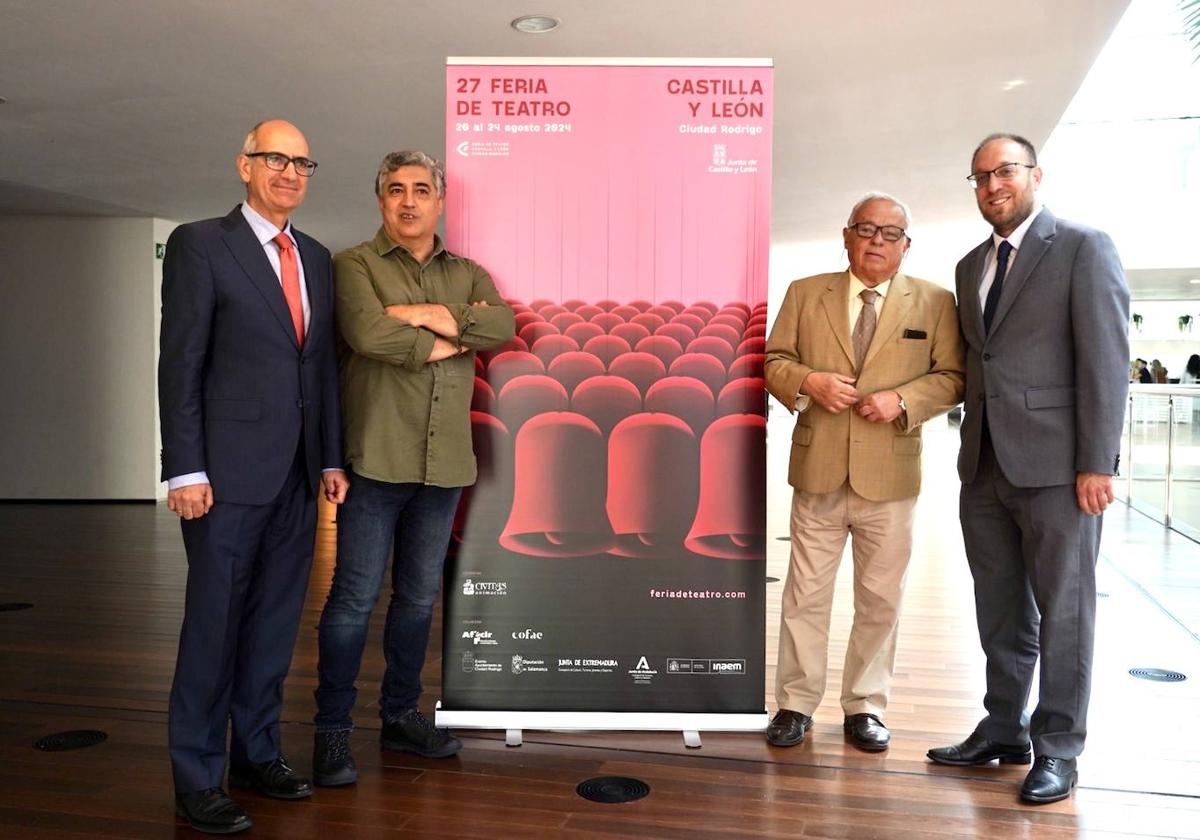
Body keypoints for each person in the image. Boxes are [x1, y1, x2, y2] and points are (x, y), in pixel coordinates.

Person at [159, 119, 348, 835]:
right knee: (213, 628)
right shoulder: (201, 243)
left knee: (272, 628)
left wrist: (330, 457)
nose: (290, 172)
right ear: (245, 164)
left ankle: (257, 754)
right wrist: (184, 467)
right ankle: (199, 776)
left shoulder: (318, 257)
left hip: (298, 479)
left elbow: (321, 366)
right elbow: (180, 364)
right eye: (276, 158)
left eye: (303, 161)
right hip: (225, 478)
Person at [928, 133, 1129, 805]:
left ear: (1035, 175)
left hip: (1058, 470)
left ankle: (1060, 747)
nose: (992, 186)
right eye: (980, 176)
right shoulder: (967, 267)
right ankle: (1004, 728)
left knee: (1065, 611)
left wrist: (1097, 462)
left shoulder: (1081, 245)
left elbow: (1106, 361)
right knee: (1001, 610)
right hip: (984, 465)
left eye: (1005, 171)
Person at [311, 150, 515, 786]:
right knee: (353, 599)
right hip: (376, 459)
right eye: (395, 190)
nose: (407, 201)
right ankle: (331, 733)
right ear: (380, 200)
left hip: (444, 465)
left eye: (420, 190)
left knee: (419, 598)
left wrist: (416, 315)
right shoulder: (353, 265)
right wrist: (456, 335)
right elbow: (368, 336)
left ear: (440, 200)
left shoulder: (469, 271)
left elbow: (502, 325)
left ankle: (401, 716)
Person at [763, 193, 965, 753]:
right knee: (805, 595)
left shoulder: (934, 301)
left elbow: (953, 376)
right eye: (866, 229)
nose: (877, 240)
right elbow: (774, 359)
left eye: (890, 232)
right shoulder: (806, 294)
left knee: (881, 599)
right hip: (818, 469)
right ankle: (795, 704)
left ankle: (866, 706)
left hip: (890, 475)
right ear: (846, 236)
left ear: (906, 245)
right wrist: (809, 382)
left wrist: (902, 398)